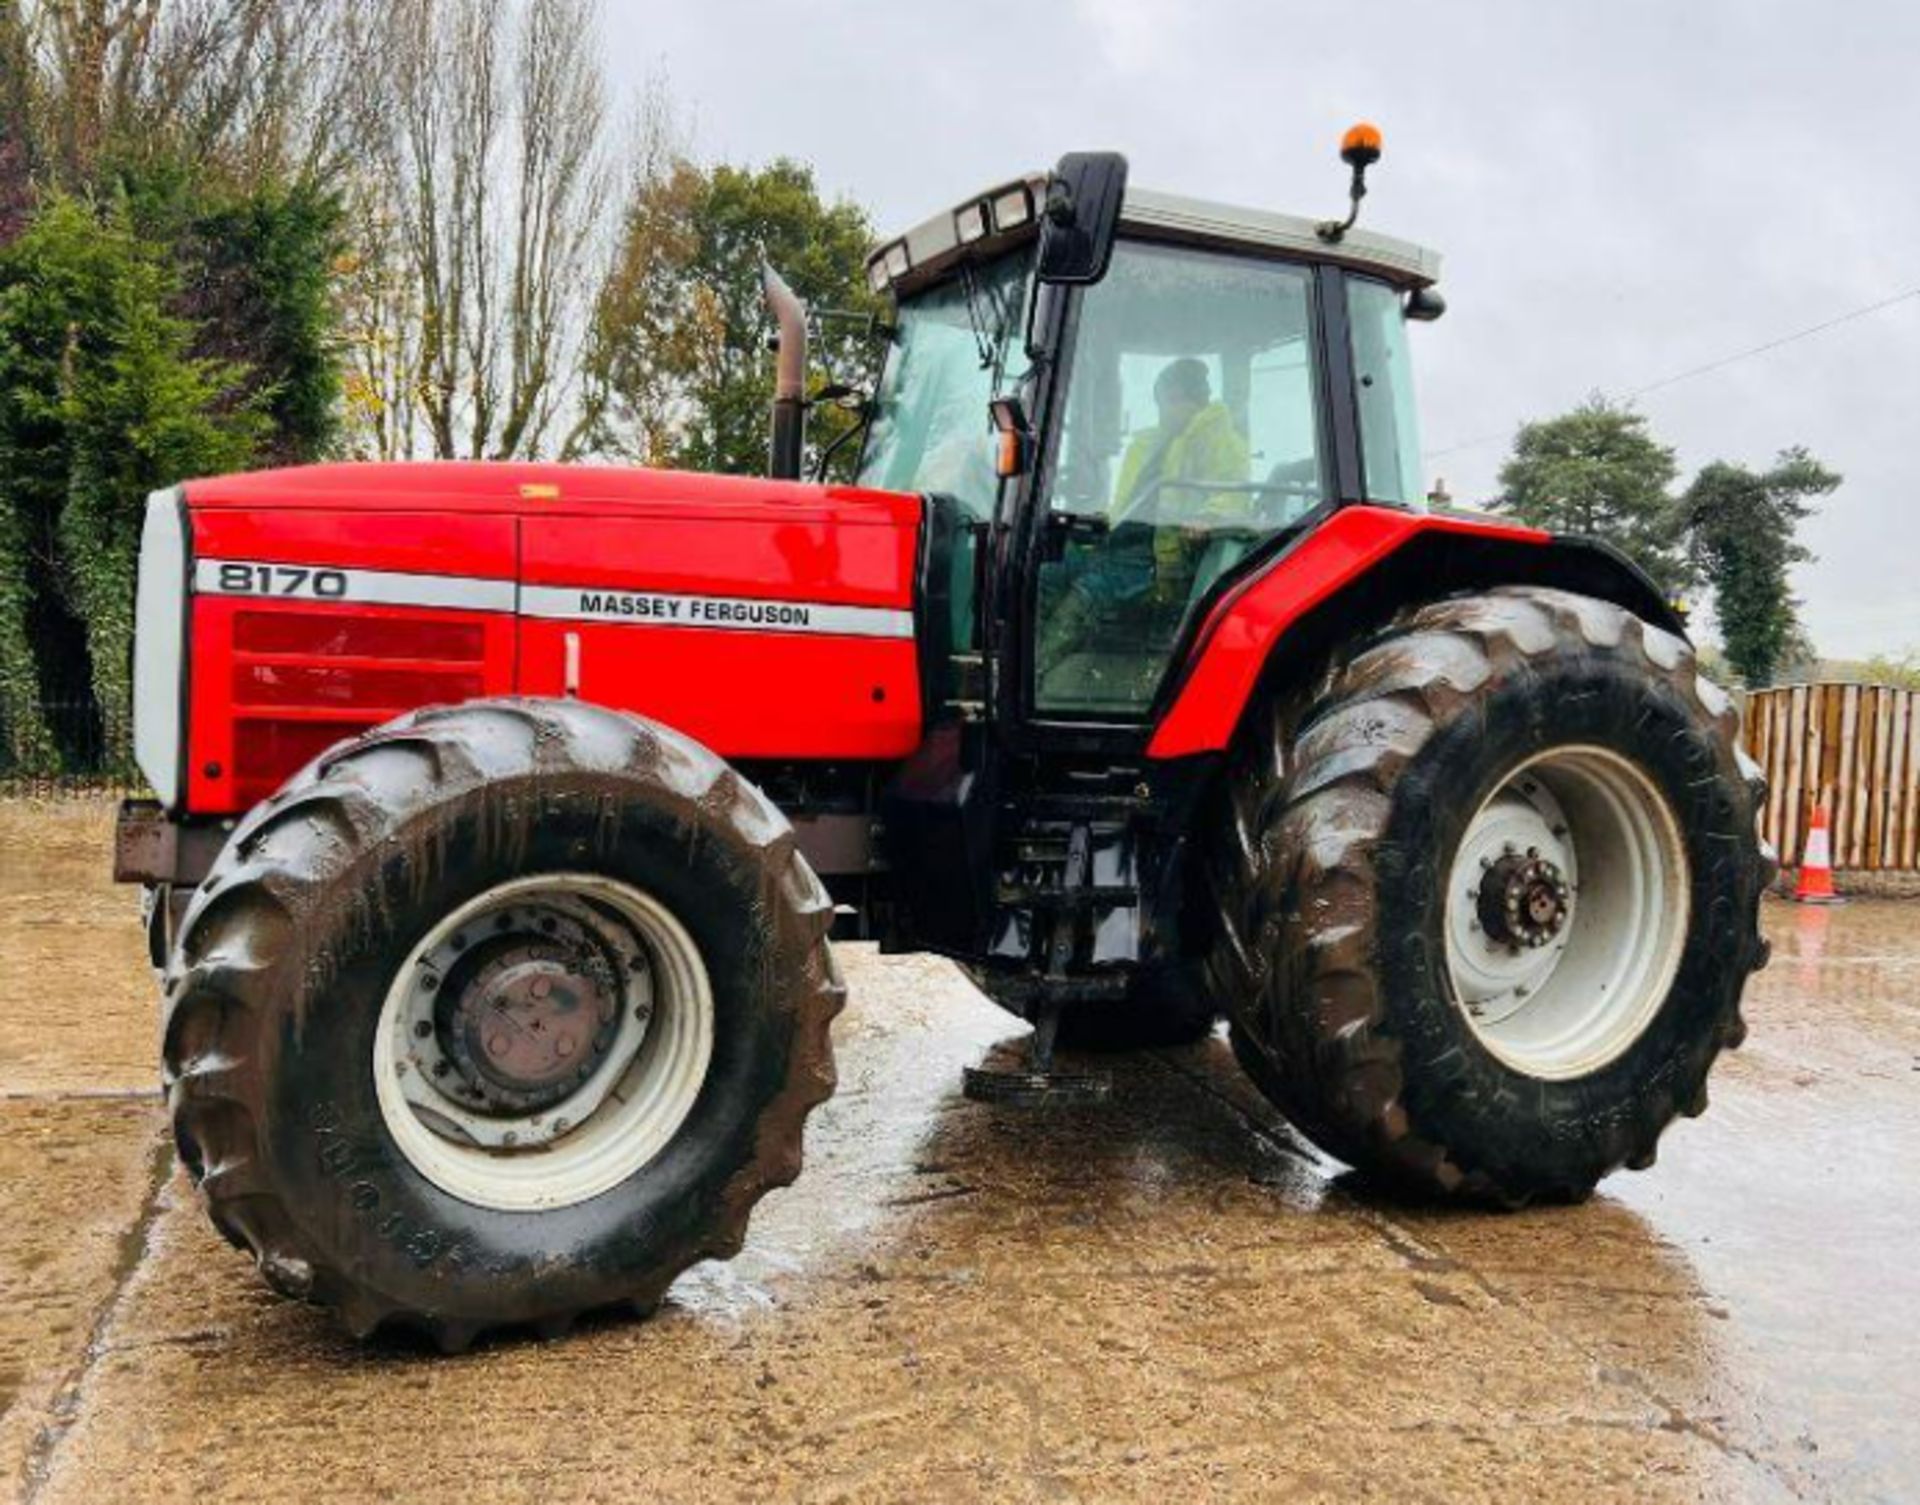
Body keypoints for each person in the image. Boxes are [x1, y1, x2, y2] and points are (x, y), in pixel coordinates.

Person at [1110, 358, 1249, 600]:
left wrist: (1209, 517)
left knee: (1086, 595)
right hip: (1124, 546)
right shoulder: (1150, 445)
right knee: (1053, 571)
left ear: (1197, 402)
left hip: (1165, 561)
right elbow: (1124, 505)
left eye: (1173, 401)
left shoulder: (1220, 442)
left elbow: (1234, 493)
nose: (1164, 411)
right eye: (1161, 403)